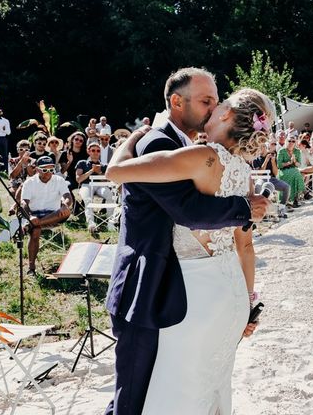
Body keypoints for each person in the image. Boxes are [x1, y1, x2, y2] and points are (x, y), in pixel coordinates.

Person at [103, 68, 271, 415]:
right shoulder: (167, 144)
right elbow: (193, 213)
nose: (211, 108)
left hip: (193, 294)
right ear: (176, 102)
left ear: (227, 114)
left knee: (166, 391)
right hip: (172, 290)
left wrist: (125, 146)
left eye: (215, 101)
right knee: (151, 391)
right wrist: (248, 301)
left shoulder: (202, 155)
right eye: (206, 100)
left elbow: (117, 173)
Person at [20, 156, 72, 274]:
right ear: (37, 169)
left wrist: (65, 204)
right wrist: (30, 216)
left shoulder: (59, 180)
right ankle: (31, 268)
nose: (48, 173)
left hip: (53, 214)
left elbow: (67, 196)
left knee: (66, 211)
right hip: (34, 214)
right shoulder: (30, 182)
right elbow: (24, 203)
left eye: (51, 169)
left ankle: (30, 225)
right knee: (36, 230)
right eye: (44, 170)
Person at [76, 141, 115, 232]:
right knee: (88, 199)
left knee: (110, 195)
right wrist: (91, 171)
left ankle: (110, 221)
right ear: (88, 151)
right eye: (93, 150)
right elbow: (78, 179)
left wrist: (99, 172)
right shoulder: (82, 163)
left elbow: (109, 181)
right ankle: (91, 223)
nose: (95, 152)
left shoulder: (104, 165)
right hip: (86, 185)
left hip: (100, 186)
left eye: (98, 151)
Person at [277, 135, 306, 207]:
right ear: (286, 141)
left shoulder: (297, 151)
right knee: (296, 172)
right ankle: (301, 194)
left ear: (295, 143)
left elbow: (298, 164)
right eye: (289, 141)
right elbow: (279, 165)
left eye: (293, 141)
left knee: (296, 173)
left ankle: (295, 199)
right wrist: (289, 163)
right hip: (283, 171)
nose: (291, 143)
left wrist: (295, 161)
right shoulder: (281, 151)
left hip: (294, 171)